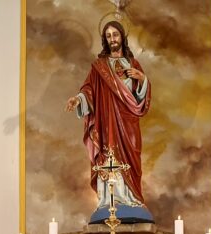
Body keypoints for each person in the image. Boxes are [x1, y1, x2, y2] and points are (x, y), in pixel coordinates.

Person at [65, 21, 152, 219]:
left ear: (122, 37)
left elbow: (141, 100)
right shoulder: (99, 68)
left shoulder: (133, 64)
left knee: (131, 159)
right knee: (107, 156)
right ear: (105, 39)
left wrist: (142, 78)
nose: (112, 38)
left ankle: (132, 200)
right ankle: (109, 202)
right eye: (109, 35)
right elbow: (88, 90)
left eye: (115, 34)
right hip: (106, 123)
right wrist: (78, 99)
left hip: (128, 123)